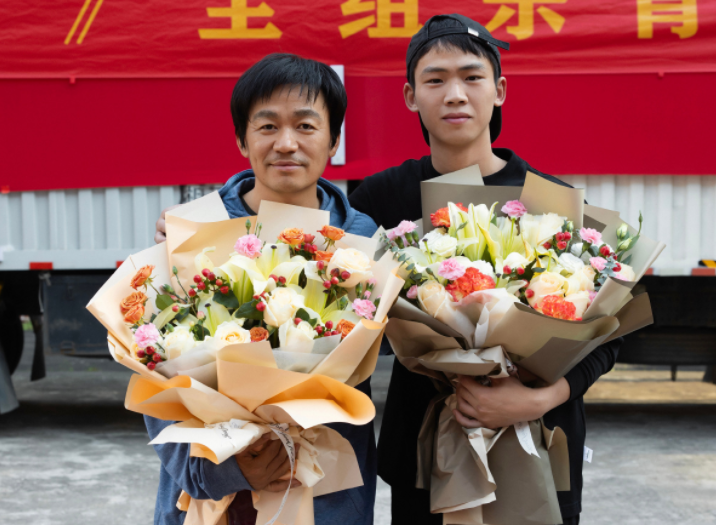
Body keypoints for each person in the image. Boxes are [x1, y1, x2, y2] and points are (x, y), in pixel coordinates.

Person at [347, 14, 621, 525]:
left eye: (472, 77)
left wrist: (540, 399)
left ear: (500, 90)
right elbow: (329, 288)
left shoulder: (549, 201)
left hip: (538, 443)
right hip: (426, 453)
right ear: (410, 96)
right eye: (435, 80)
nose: (455, 95)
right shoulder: (380, 199)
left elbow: (609, 335)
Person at [150, 53, 378, 525]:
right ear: (242, 139)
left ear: (334, 139)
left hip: (326, 496)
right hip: (215, 494)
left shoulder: (360, 239)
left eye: (306, 126)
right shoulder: (195, 231)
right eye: (268, 126)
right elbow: (156, 373)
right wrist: (222, 470)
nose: (286, 143)